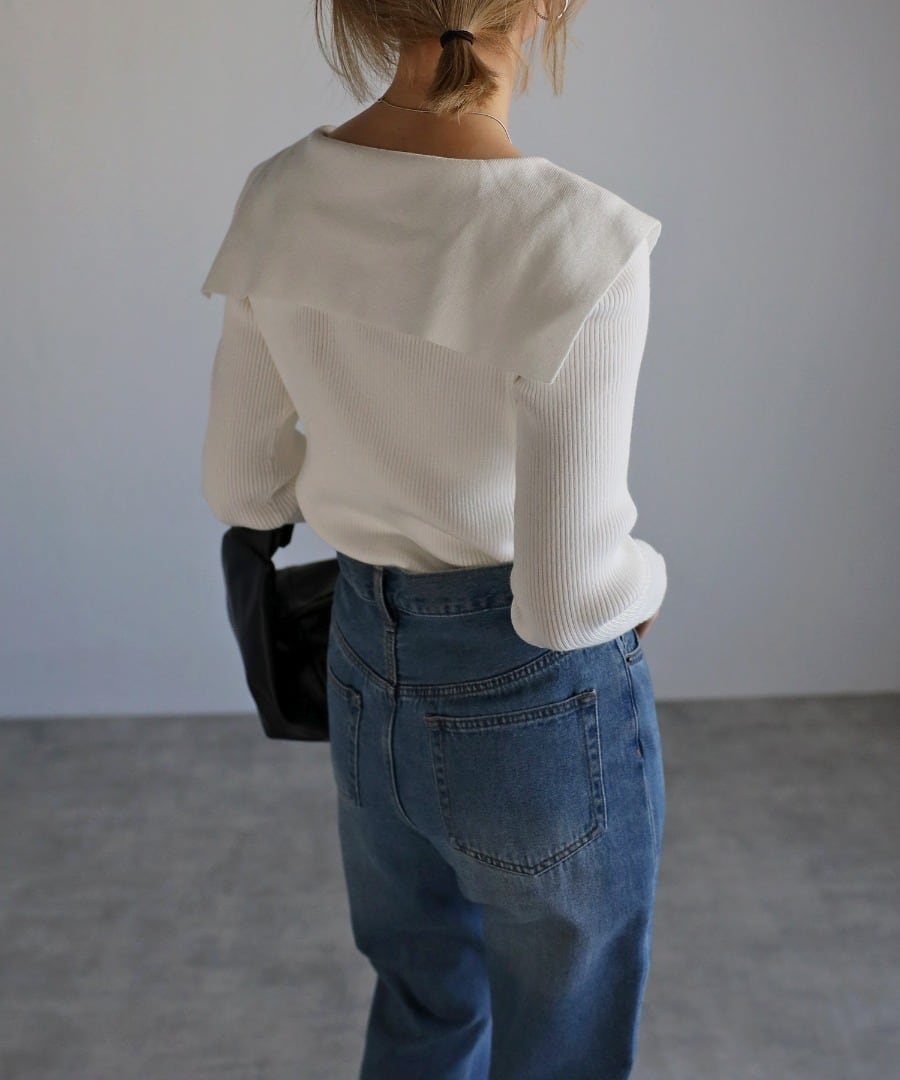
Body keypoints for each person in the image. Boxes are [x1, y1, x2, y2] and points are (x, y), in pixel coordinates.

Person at [200, 1, 666, 1076]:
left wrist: (372, 466)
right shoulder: (581, 240)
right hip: (533, 702)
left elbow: (242, 485)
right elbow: (566, 599)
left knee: (423, 1007)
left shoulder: (281, 195)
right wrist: (650, 577)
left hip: (364, 667)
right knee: (562, 1043)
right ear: (544, 7)